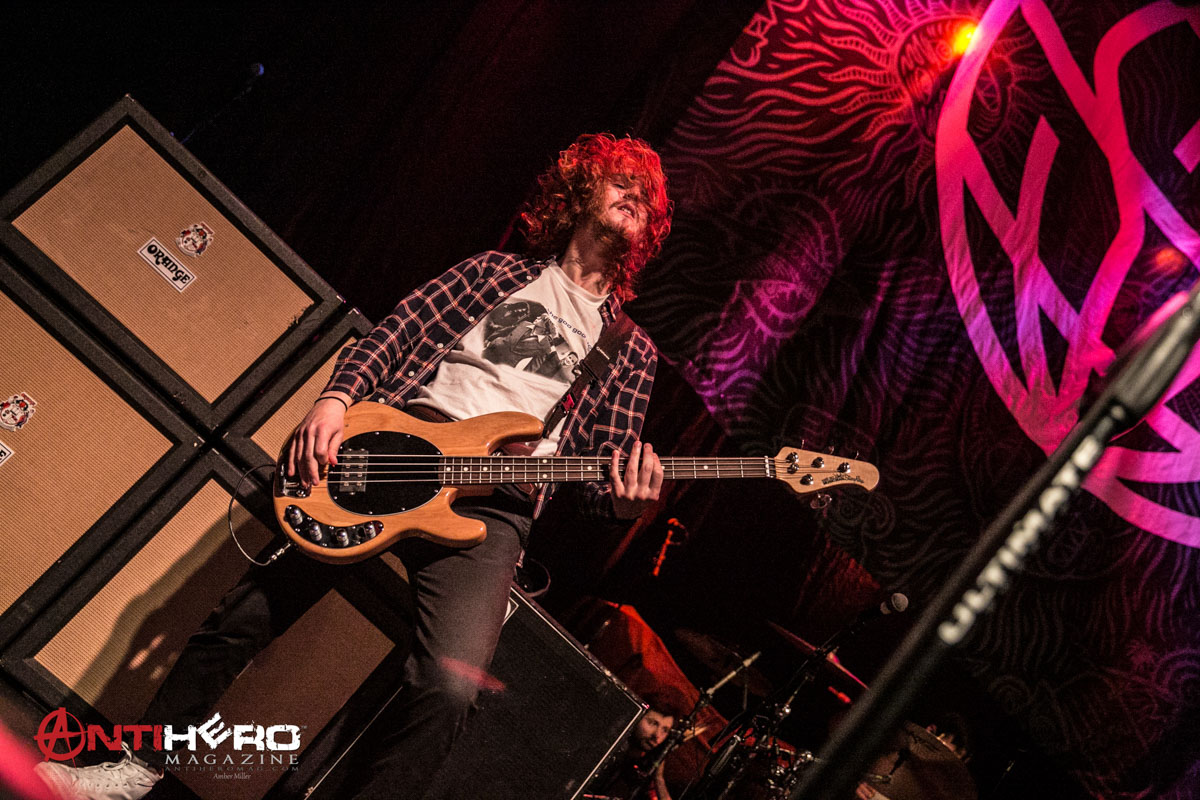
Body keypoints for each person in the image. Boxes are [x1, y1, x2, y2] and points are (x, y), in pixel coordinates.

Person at [34, 131, 673, 800]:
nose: (635, 195)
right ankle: (137, 770)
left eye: (648, 196)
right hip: (396, 448)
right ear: (580, 191)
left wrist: (625, 501)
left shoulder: (631, 351)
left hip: (494, 508)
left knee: (450, 689)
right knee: (249, 611)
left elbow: (601, 480)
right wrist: (335, 401)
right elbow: (395, 335)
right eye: (622, 181)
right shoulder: (496, 273)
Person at [586, 690, 688, 800]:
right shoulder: (604, 744)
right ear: (638, 715)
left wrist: (659, 777)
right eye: (652, 723)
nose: (657, 735)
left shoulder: (642, 767)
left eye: (665, 730)